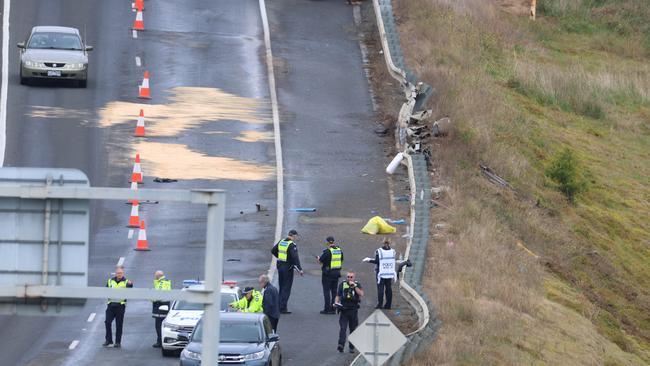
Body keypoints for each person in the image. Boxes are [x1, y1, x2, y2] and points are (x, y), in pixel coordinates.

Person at [271, 229, 303, 314]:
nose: (296, 238)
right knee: (286, 288)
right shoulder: (292, 245)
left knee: (281, 286)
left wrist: (280, 257)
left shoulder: (282, 241)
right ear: (293, 236)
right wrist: (300, 269)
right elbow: (295, 257)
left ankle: (279, 306)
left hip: (280, 265)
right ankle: (282, 308)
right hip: (287, 267)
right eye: (296, 236)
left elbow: (273, 250)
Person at [103, 266, 133, 348]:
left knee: (119, 324)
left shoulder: (126, 282)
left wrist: (131, 284)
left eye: (121, 273)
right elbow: (106, 290)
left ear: (123, 273)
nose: (119, 274)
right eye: (118, 273)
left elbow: (130, 289)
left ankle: (117, 342)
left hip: (120, 306)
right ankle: (108, 340)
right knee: (107, 322)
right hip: (111, 305)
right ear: (116, 273)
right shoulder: (110, 281)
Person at [334, 270, 364, 353]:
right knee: (343, 328)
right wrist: (336, 303)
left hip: (353, 310)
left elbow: (361, 294)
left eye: (351, 277)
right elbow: (338, 295)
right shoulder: (342, 284)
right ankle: (341, 345)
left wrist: (354, 286)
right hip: (344, 310)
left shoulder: (357, 284)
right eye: (348, 277)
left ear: (354, 278)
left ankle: (351, 346)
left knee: (353, 329)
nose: (349, 278)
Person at [363, 238, 396, 309]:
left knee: (380, 288)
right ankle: (388, 304)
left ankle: (380, 304)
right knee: (388, 288)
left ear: (383, 243)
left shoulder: (379, 251)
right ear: (389, 243)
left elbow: (377, 261)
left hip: (380, 273)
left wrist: (369, 260)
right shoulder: (393, 251)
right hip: (389, 273)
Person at [317, 236, 343, 314]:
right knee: (334, 291)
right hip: (337, 273)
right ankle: (333, 308)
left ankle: (327, 308)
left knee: (326, 291)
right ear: (333, 242)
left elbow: (320, 261)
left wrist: (318, 258)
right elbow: (341, 260)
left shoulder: (327, 252)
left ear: (327, 242)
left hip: (327, 274)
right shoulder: (339, 251)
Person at [151, 270, 171, 348]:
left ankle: (160, 342)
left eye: (155, 276)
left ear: (158, 276)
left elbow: (158, 296)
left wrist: (151, 298)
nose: (154, 277)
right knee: (160, 325)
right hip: (164, 306)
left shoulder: (161, 283)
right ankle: (161, 341)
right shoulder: (164, 281)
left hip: (160, 307)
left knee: (159, 325)